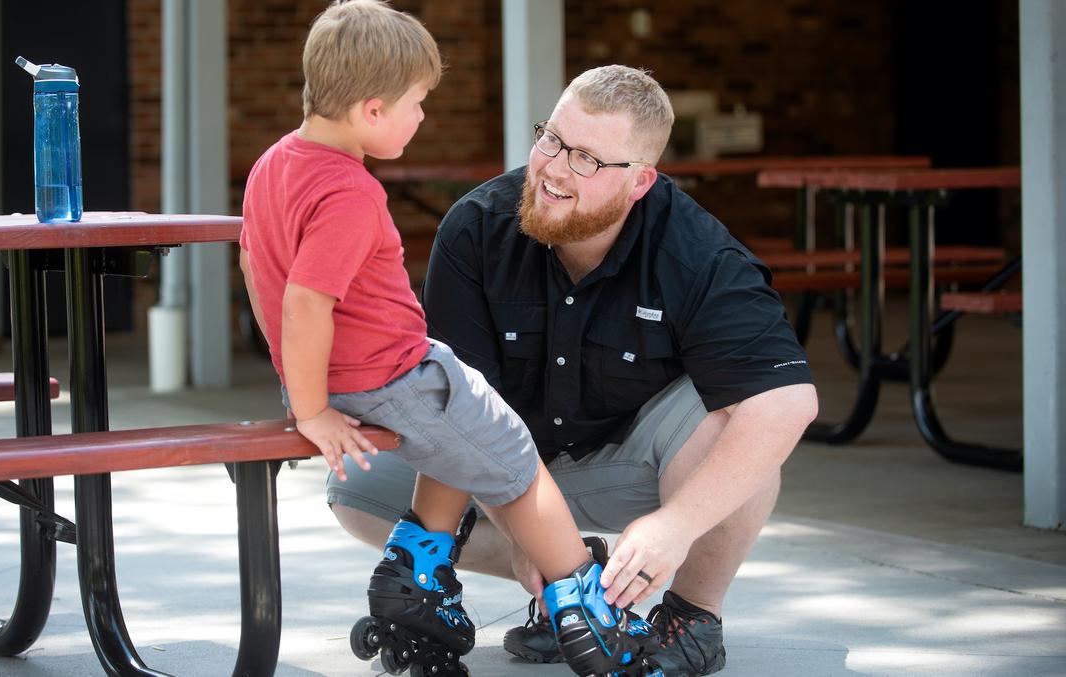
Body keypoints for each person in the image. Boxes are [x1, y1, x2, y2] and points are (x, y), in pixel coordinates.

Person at [326, 64, 819, 676]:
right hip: (506, 460)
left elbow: (789, 403)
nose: (555, 169)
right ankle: (579, 592)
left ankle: (692, 617)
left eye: (586, 158)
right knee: (358, 488)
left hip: (631, 472)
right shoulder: (477, 227)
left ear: (640, 181)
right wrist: (545, 547)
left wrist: (675, 525)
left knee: (746, 433)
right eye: (551, 139)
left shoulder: (697, 253)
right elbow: (455, 408)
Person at [239, 4, 666, 676]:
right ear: (373, 111)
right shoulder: (349, 191)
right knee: (516, 461)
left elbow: (257, 270)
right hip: (393, 374)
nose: (422, 117)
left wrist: (302, 385)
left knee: (458, 430)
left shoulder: (273, 164)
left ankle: (419, 577)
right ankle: (587, 609)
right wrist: (315, 408)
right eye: (417, 104)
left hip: (356, 376)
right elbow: (305, 301)